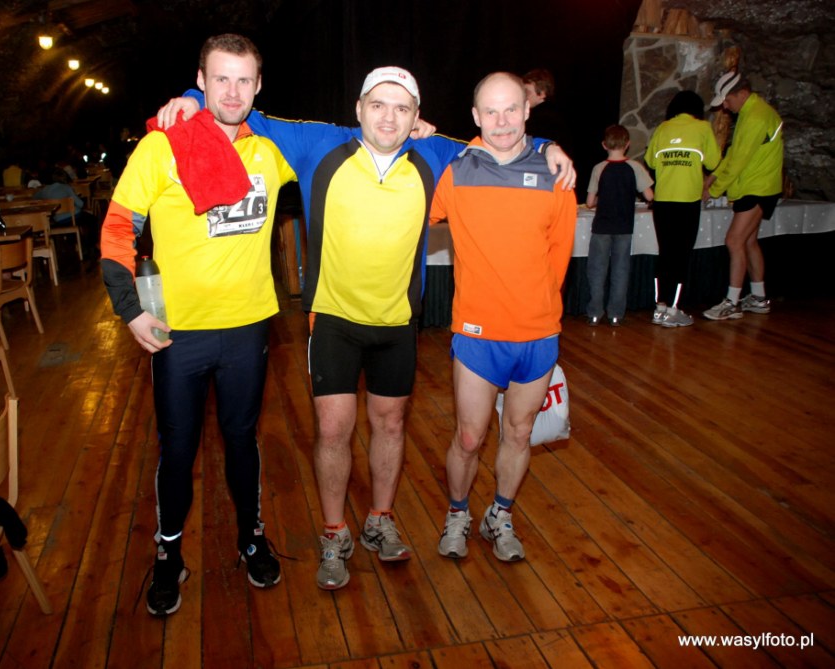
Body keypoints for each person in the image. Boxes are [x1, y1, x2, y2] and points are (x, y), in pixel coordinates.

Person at [157, 66, 576, 590]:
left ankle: (380, 520)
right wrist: (193, 97)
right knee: (334, 430)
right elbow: (243, 110)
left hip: (397, 324)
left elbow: (500, 141)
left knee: (391, 426)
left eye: (402, 108)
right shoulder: (320, 145)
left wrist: (549, 146)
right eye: (378, 105)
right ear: (358, 108)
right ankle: (334, 533)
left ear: (417, 117)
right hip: (333, 321)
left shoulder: (435, 155)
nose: (389, 117)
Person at [99, 34, 295, 617]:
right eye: (221, 79)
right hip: (177, 335)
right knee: (178, 448)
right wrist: (130, 309)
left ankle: (251, 538)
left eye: (244, 80)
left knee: (241, 439)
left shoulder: (271, 151)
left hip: (248, 329)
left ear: (258, 86)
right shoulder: (163, 145)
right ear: (201, 82)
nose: (232, 91)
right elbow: (117, 227)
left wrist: (416, 131)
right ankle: (168, 554)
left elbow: (352, 143)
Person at [429, 72, 576, 563]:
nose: (502, 121)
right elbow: (410, 214)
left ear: (528, 109)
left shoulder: (556, 174)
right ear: (475, 117)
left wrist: (537, 310)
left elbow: (559, 258)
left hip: (537, 334)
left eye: (511, 108)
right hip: (477, 333)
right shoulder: (457, 170)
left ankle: (500, 514)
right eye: (490, 111)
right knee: (469, 437)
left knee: (518, 433)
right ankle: (457, 513)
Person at [702, 72, 784, 321]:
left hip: (756, 188)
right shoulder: (752, 113)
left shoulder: (756, 117)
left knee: (733, 241)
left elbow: (738, 161)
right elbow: (732, 154)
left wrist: (713, 191)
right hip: (758, 187)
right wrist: (712, 178)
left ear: (742, 93)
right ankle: (758, 298)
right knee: (748, 242)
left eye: (727, 100)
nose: (725, 107)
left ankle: (731, 302)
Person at [644, 91, 721, 327]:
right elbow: (713, 162)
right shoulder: (703, 128)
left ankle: (659, 308)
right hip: (687, 200)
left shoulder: (663, 128)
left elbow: (651, 161)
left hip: (663, 201)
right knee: (681, 255)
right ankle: (673, 310)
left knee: (666, 253)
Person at [584, 124, 653, 326]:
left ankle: (595, 312)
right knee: (621, 271)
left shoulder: (599, 168)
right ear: (627, 144)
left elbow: (589, 202)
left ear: (604, 145)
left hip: (601, 228)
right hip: (624, 227)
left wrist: (603, 198)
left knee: (597, 271)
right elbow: (650, 195)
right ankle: (615, 314)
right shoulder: (635, 167)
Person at [34, 167, 100, 260]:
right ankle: (91, 246)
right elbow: (80, 204)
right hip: (74, 216)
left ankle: (75, 245)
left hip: (58, 220)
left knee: (74, 226)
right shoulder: (66, 188)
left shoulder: (45, 190)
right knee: (93, 220)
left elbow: (35, 197)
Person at [523, 68, 573, 156]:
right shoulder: (555, 114)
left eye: (527, 92)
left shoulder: (544, 119)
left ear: (542, 94)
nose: (524, 96)